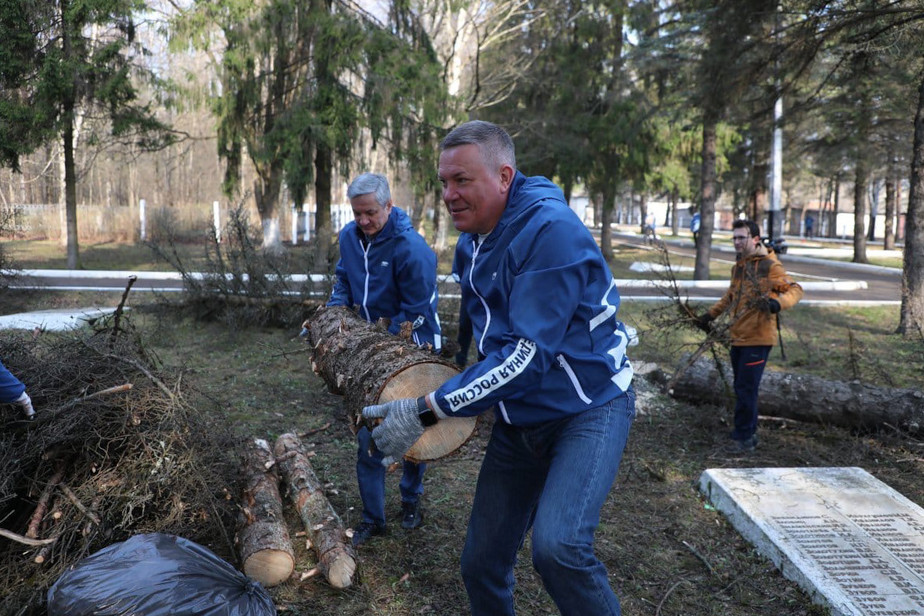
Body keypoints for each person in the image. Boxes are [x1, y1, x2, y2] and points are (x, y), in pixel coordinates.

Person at [361, 121, 636, 616]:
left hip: (587, 408)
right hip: (518, 419)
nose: (449, 194)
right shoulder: (473, 241)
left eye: (462, 180)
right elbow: (494, 342)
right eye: (444, 181)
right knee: (481, 565)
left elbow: (526, 356)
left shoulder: (550, 231)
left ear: (504, 176)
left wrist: (429, 408)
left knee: (560, 551)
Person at [327, 172, 442, 547]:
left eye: (370, 213)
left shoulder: (412, 250)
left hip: (413, 349)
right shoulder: (349, 238)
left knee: (411, 431)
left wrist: (381, 352)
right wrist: (334, 318)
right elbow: (343, 278)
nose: (362, 221)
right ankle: (373, 518)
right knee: (368, 436)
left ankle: (411, 501)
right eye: (357, 213)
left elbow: (416, 313)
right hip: (367, 351)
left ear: (389, 206)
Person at [696, 219, 803, 452]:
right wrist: (708, 316)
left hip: (758, 338)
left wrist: (777, 303)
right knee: (742, 387)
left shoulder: (769, 265)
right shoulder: (739, 266)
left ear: (755, 239)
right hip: (738, 337)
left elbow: (795, 289)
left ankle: (743, 438)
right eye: (734, 237)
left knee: (746, 388)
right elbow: (730, 297)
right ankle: (747, 433)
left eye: (741, 237)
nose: (736, 242)